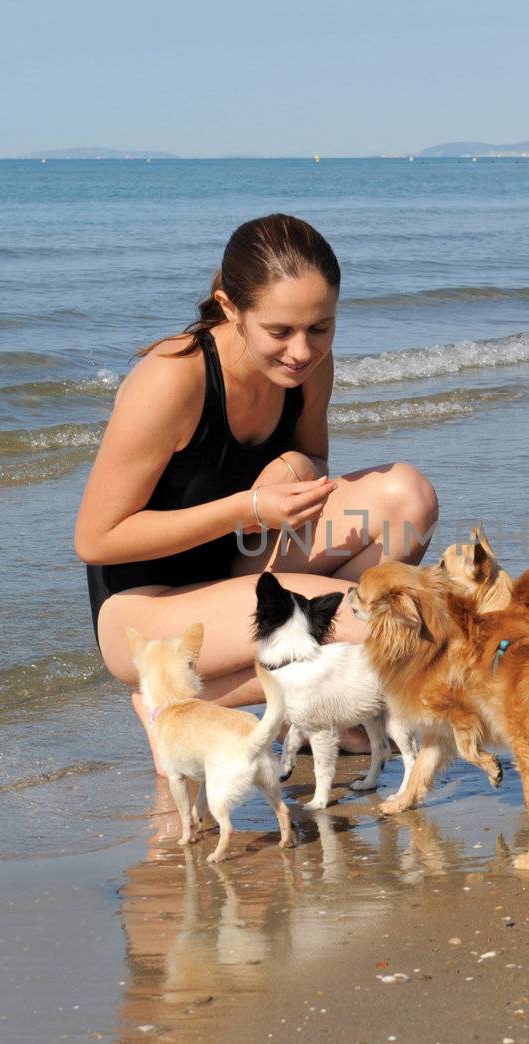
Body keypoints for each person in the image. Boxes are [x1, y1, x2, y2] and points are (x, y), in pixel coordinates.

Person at [75, 214, 439, 771]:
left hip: (241, 563)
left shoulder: (310, 364)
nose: (301, 351)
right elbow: (97, 540)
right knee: (378, 628)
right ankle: (169, 700)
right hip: (146, 605)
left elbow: (314, 459)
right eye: (281, 332)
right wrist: (244, 509)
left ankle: (324, 708)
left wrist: (293, 466)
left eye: (321, 327)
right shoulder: (171, 380)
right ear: (229, 307)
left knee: (407, 499)